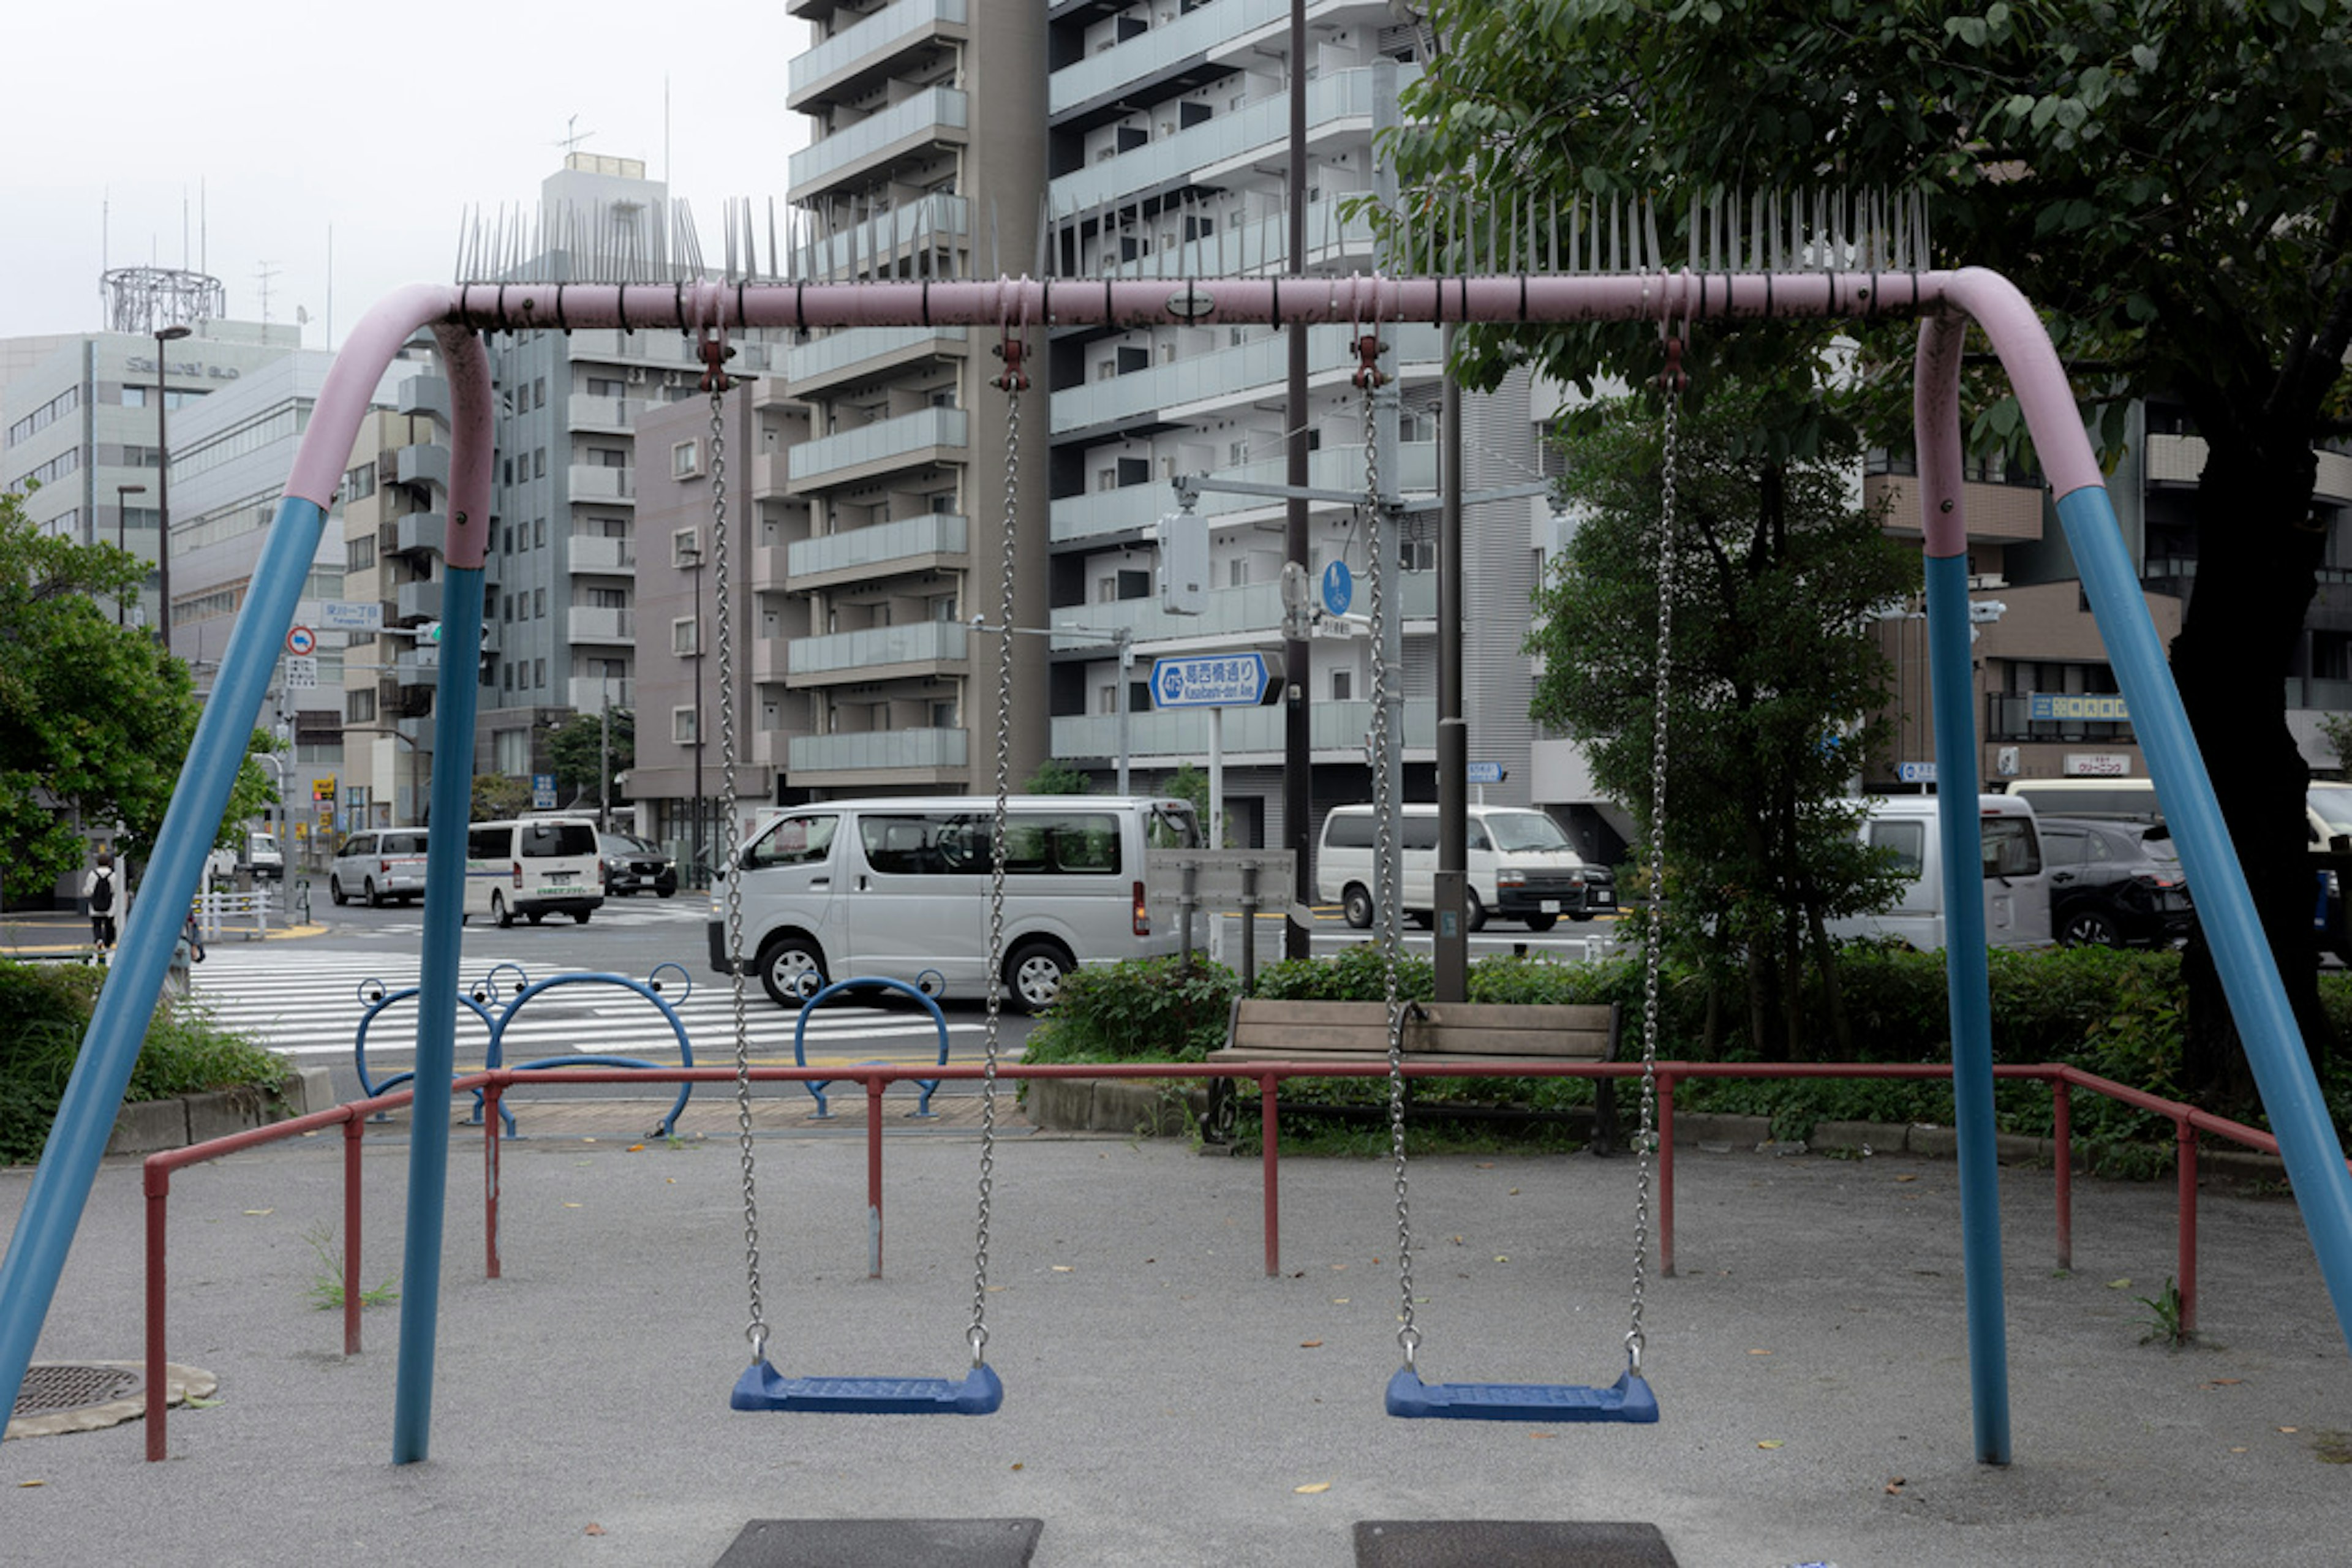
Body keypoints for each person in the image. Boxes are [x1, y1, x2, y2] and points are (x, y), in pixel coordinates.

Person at [85, 846, 122, 958]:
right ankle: (107, 943)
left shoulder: (92, 874)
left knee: (97, 925)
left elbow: (89, 890)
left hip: (95, 905)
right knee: (109, 925)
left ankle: (98, 940)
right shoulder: (113, 875)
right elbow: (116, 890)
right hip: (110, 905)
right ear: (109, 862)